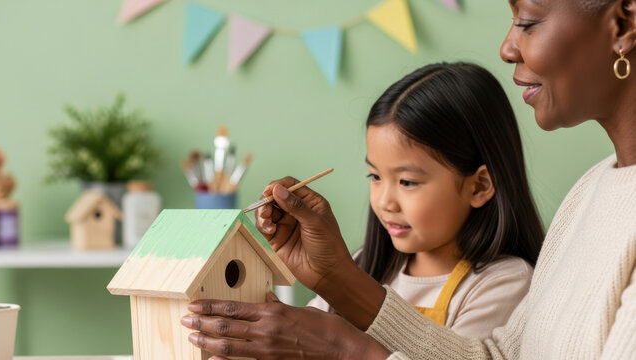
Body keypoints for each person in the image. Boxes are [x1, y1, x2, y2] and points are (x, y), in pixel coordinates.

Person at [180, 0, 636, 358]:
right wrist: (336, 279)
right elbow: (497, 358)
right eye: (375, 176)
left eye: (529, 21)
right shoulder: (593, 190)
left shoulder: (504, 278)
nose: (507, 48)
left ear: (623, 23)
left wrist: (344, 349)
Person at [303, 63, 543, 340]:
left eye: (407, 182)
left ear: (479, 186)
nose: (384, 202)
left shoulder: (503, 284)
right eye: (375, 176)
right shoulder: (366, 263)